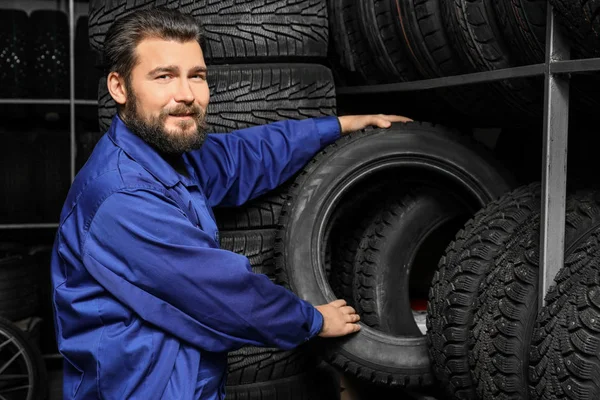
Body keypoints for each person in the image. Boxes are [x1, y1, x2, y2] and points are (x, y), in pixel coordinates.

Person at [50, 8, 411, 400]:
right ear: (119, 88)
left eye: (197, 76)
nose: (186, 94)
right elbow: (221, 293)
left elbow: (244, 156)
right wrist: (312, 320)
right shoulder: (122, 196)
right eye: (164, 76)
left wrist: (338, 126)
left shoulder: (164, 154)